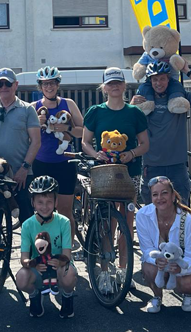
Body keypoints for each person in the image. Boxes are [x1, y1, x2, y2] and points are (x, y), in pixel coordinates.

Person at [82, 67, 149, 290]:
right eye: (110, 84)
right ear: (104, 87)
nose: (114, 87)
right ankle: (104, 271)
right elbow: (84, 142)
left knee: (127, 221)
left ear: (124, 86)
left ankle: (123, 269)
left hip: (131, 172)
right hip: (104, 172)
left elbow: (145, 144)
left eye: (118, 83)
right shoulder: (95, 111)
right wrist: (96, 154)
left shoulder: (135, 112)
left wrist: (132, 153)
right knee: (107, 223)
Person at [131, 61, 191, 206]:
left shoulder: (180, 99)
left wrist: (187, 70)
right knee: (152, 213)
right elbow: (128, 124)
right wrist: (131, 104)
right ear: (150, 81)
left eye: (162, 78)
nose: (158, 83)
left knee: (181, 211)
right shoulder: (143, 102)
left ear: (169, 79)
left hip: (177, 165)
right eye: (155, 79)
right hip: (152, 165)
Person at [0, 68, 41, 221]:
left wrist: (24, 168)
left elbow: (36, 141)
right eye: (0, 84)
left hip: (22, 174)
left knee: (27, 221)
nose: (4, 87)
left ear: (16, 85)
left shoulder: (27, 109)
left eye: (8, 83)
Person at [137, 176, 191, 313]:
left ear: (173, 196)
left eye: (164, 193)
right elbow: (146, 249)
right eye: (155, 194)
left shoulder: (187, 220)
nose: (159, 198)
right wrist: (156, 260)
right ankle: (157, 297)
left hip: (182, 264)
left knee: (187, 284)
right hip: (161, 265)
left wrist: (180, 269)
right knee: (149, 269)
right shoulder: (142, 215)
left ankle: (188, 295)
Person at [31, 66, 84, 243]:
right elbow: (25, 136)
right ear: (40, 87)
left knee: (64, 210)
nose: (49, 87)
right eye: (45, 84)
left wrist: (67, 128)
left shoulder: (68, 104)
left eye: (52, 83)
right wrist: (35, 125)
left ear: (57, 84)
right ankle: (45, 247)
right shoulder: (34, 107)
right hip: (41, 162)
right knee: (42, 210)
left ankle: (68, 248)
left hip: (65, 163)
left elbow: (82, 131)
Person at [15, 175, 78, 319]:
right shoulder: (27, 225)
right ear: (33, 203)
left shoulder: (64, 222)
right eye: (40, 202)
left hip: (59, 266)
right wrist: (33, 265)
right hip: (39, 268)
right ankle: (34, 295)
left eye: (49, 201)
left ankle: (67, 297)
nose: (44, 207)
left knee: (69, 275)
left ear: (56, 202)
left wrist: (60, 262)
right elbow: (24, 258)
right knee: (21, 277)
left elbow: (67, 254)